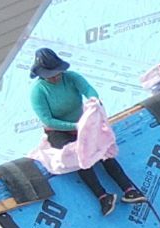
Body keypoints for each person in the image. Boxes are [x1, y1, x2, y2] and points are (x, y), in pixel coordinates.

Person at [27, 49, 145, 212]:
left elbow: (89, 90)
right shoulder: (38, 92)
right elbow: (48, 120)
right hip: (58, 130)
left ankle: (128, 189)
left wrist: (94, 103)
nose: (55, 77)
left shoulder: (71, 77)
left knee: (103, 151)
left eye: (58, 73)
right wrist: (76, 127)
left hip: (82, 122)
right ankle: (102, 196)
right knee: (79, 158)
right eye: (50, 75)